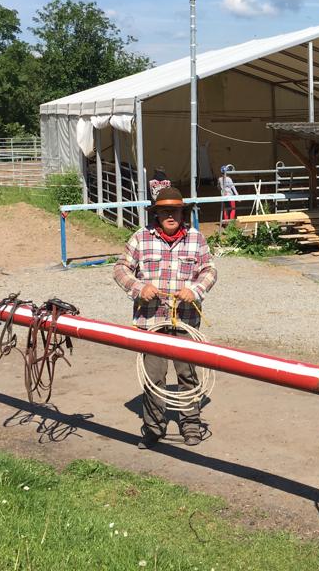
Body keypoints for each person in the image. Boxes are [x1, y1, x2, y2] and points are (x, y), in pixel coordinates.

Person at [113, 180, 217, 448]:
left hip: (186, 320)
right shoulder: (141, 238)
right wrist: (139, 287)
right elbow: (120, 268)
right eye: (165, 211)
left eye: (175, 211)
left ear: (183, 213)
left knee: (188, 375)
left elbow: (209, 270)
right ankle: (153, 427)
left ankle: (191, 425)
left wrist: (195, 290)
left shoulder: (196, 239)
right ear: (156, 214)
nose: (170, 216)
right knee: (154, 377)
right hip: (151, 321)